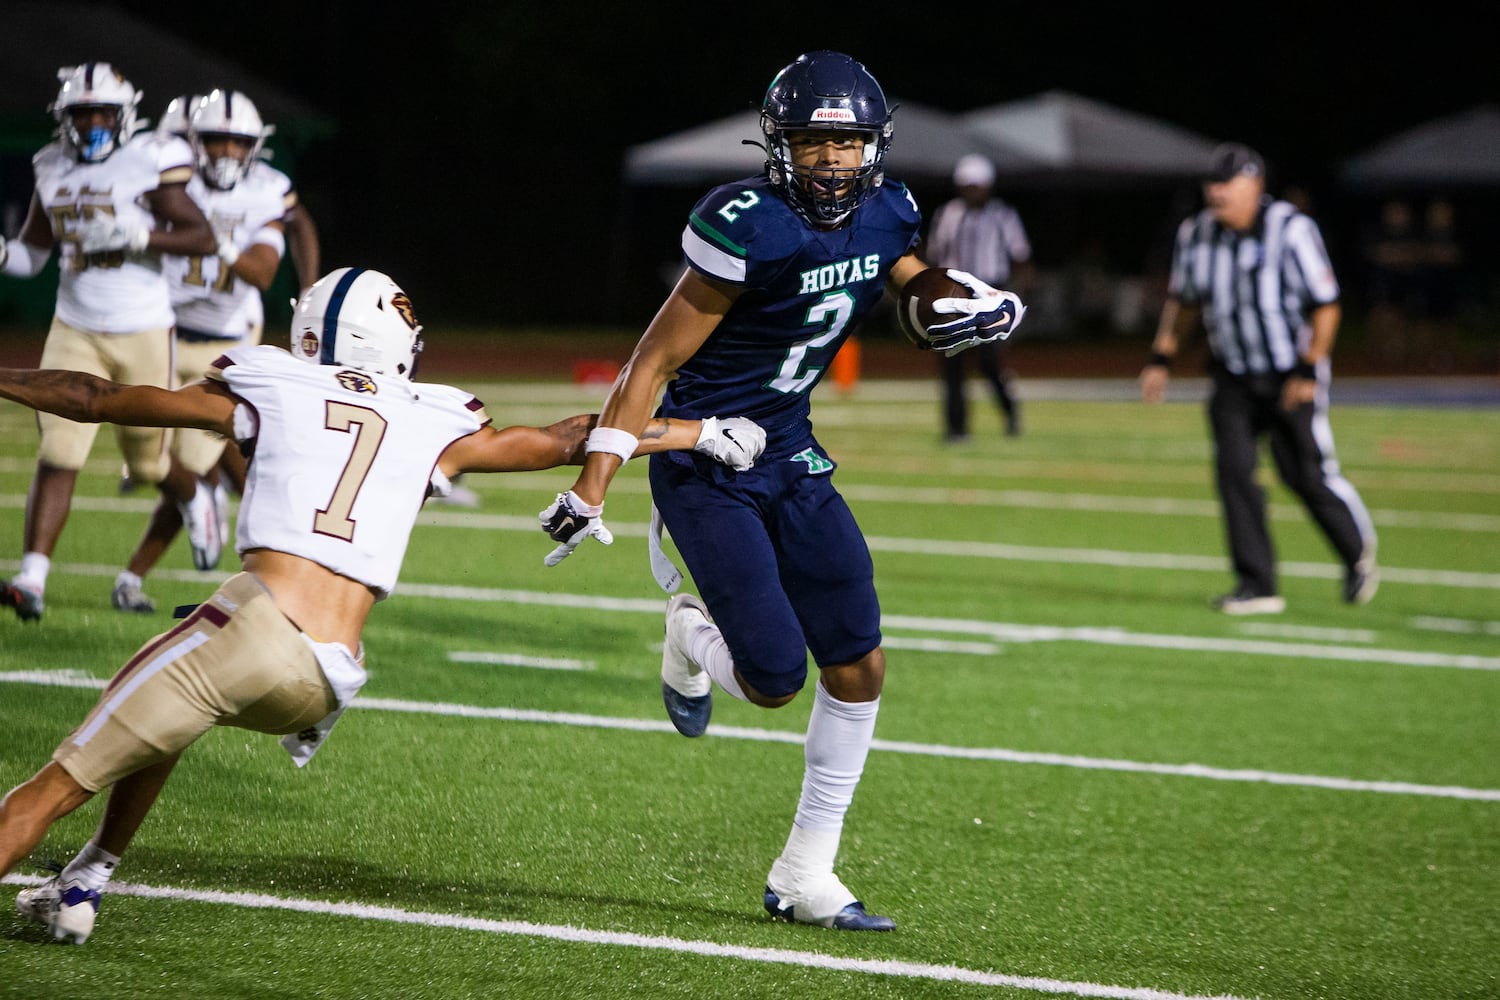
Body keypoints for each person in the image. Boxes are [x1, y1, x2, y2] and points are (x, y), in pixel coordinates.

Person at [0, 266, 766, 945]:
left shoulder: (268, 379)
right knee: (172, 701)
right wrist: (698, 432)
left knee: (53, 785)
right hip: (327, 679)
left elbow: (93, 398)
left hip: (259, 627)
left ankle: (82, 866)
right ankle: (86, 879)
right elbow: (573, 438)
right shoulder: (434, 413)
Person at [539, 51, 1024, 931]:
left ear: (873, 146)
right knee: (772, 680)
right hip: (709, 464)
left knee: (860, 662)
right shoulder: (746, 224)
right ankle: (689, 631)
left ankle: (806, 872)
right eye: (813, 142)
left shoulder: (890, 210)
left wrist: (973, 300)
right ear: (781, 145)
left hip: (792, 452)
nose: (832, 160)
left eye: (847, 143)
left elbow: (910, 281)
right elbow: (651, 361)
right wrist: (595, 484)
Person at [0, 62, 222, 622]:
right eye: (82, 112)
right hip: (75, 323)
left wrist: (140, 233)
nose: (93, 122)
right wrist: (2, 252)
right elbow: (33, 254)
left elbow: (203, 236)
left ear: (124, 117)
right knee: (58, 449)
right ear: (64, 119)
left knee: (148, 463)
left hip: (143, 325)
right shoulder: (50, 165)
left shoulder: (148, 159)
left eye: (103, 112)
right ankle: (33, 577)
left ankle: (194, 495)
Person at [1140, 143, 1377, 614]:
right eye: (1213, 183)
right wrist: (1161, 357)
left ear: (1255, 185)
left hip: (1289, 369)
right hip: (1232, 374)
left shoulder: (1291, 230)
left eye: (1228, 183)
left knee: (1304, 474)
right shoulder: (1197, 233)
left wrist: (1309, 367)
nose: (1217, 192)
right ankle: (1257, 583)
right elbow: (1185, 301)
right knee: (1234, 472)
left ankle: (1356, 552)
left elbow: (1326, 303)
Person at [110, 89, 320, 614]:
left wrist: (309, 288)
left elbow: (271, 260)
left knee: (197, 463)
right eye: (215, 140)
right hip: (167, 329)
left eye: (236, 142)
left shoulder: (265, 191)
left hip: (229, 342)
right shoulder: (167, 182)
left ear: (254, 147)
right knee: (157, 455)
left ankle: (136, 574)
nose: (226, 152)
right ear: (192, 142)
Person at [924, 153, 1032, 439]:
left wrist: (1018, 300)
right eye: (968, 185)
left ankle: (1010, 415)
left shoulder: (1003, 215)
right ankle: (956, 429)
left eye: (978, 185)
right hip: (954, 293)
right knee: (952, 361)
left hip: (990, 292)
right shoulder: (947, 214)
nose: (973, 191)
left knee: (990, 363)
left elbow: (1020, 257)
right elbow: (935, 255)